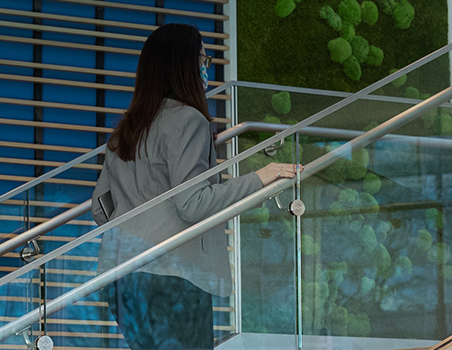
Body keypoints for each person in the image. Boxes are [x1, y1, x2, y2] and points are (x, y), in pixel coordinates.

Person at [90, 23, 300, 350]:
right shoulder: (189, 121)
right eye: (203, 60)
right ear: (183, 65)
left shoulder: (126, 129)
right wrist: (261, 178)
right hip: (172, 276)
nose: (206, 68)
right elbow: (193, 203)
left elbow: (100, 209)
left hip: (120, 276)